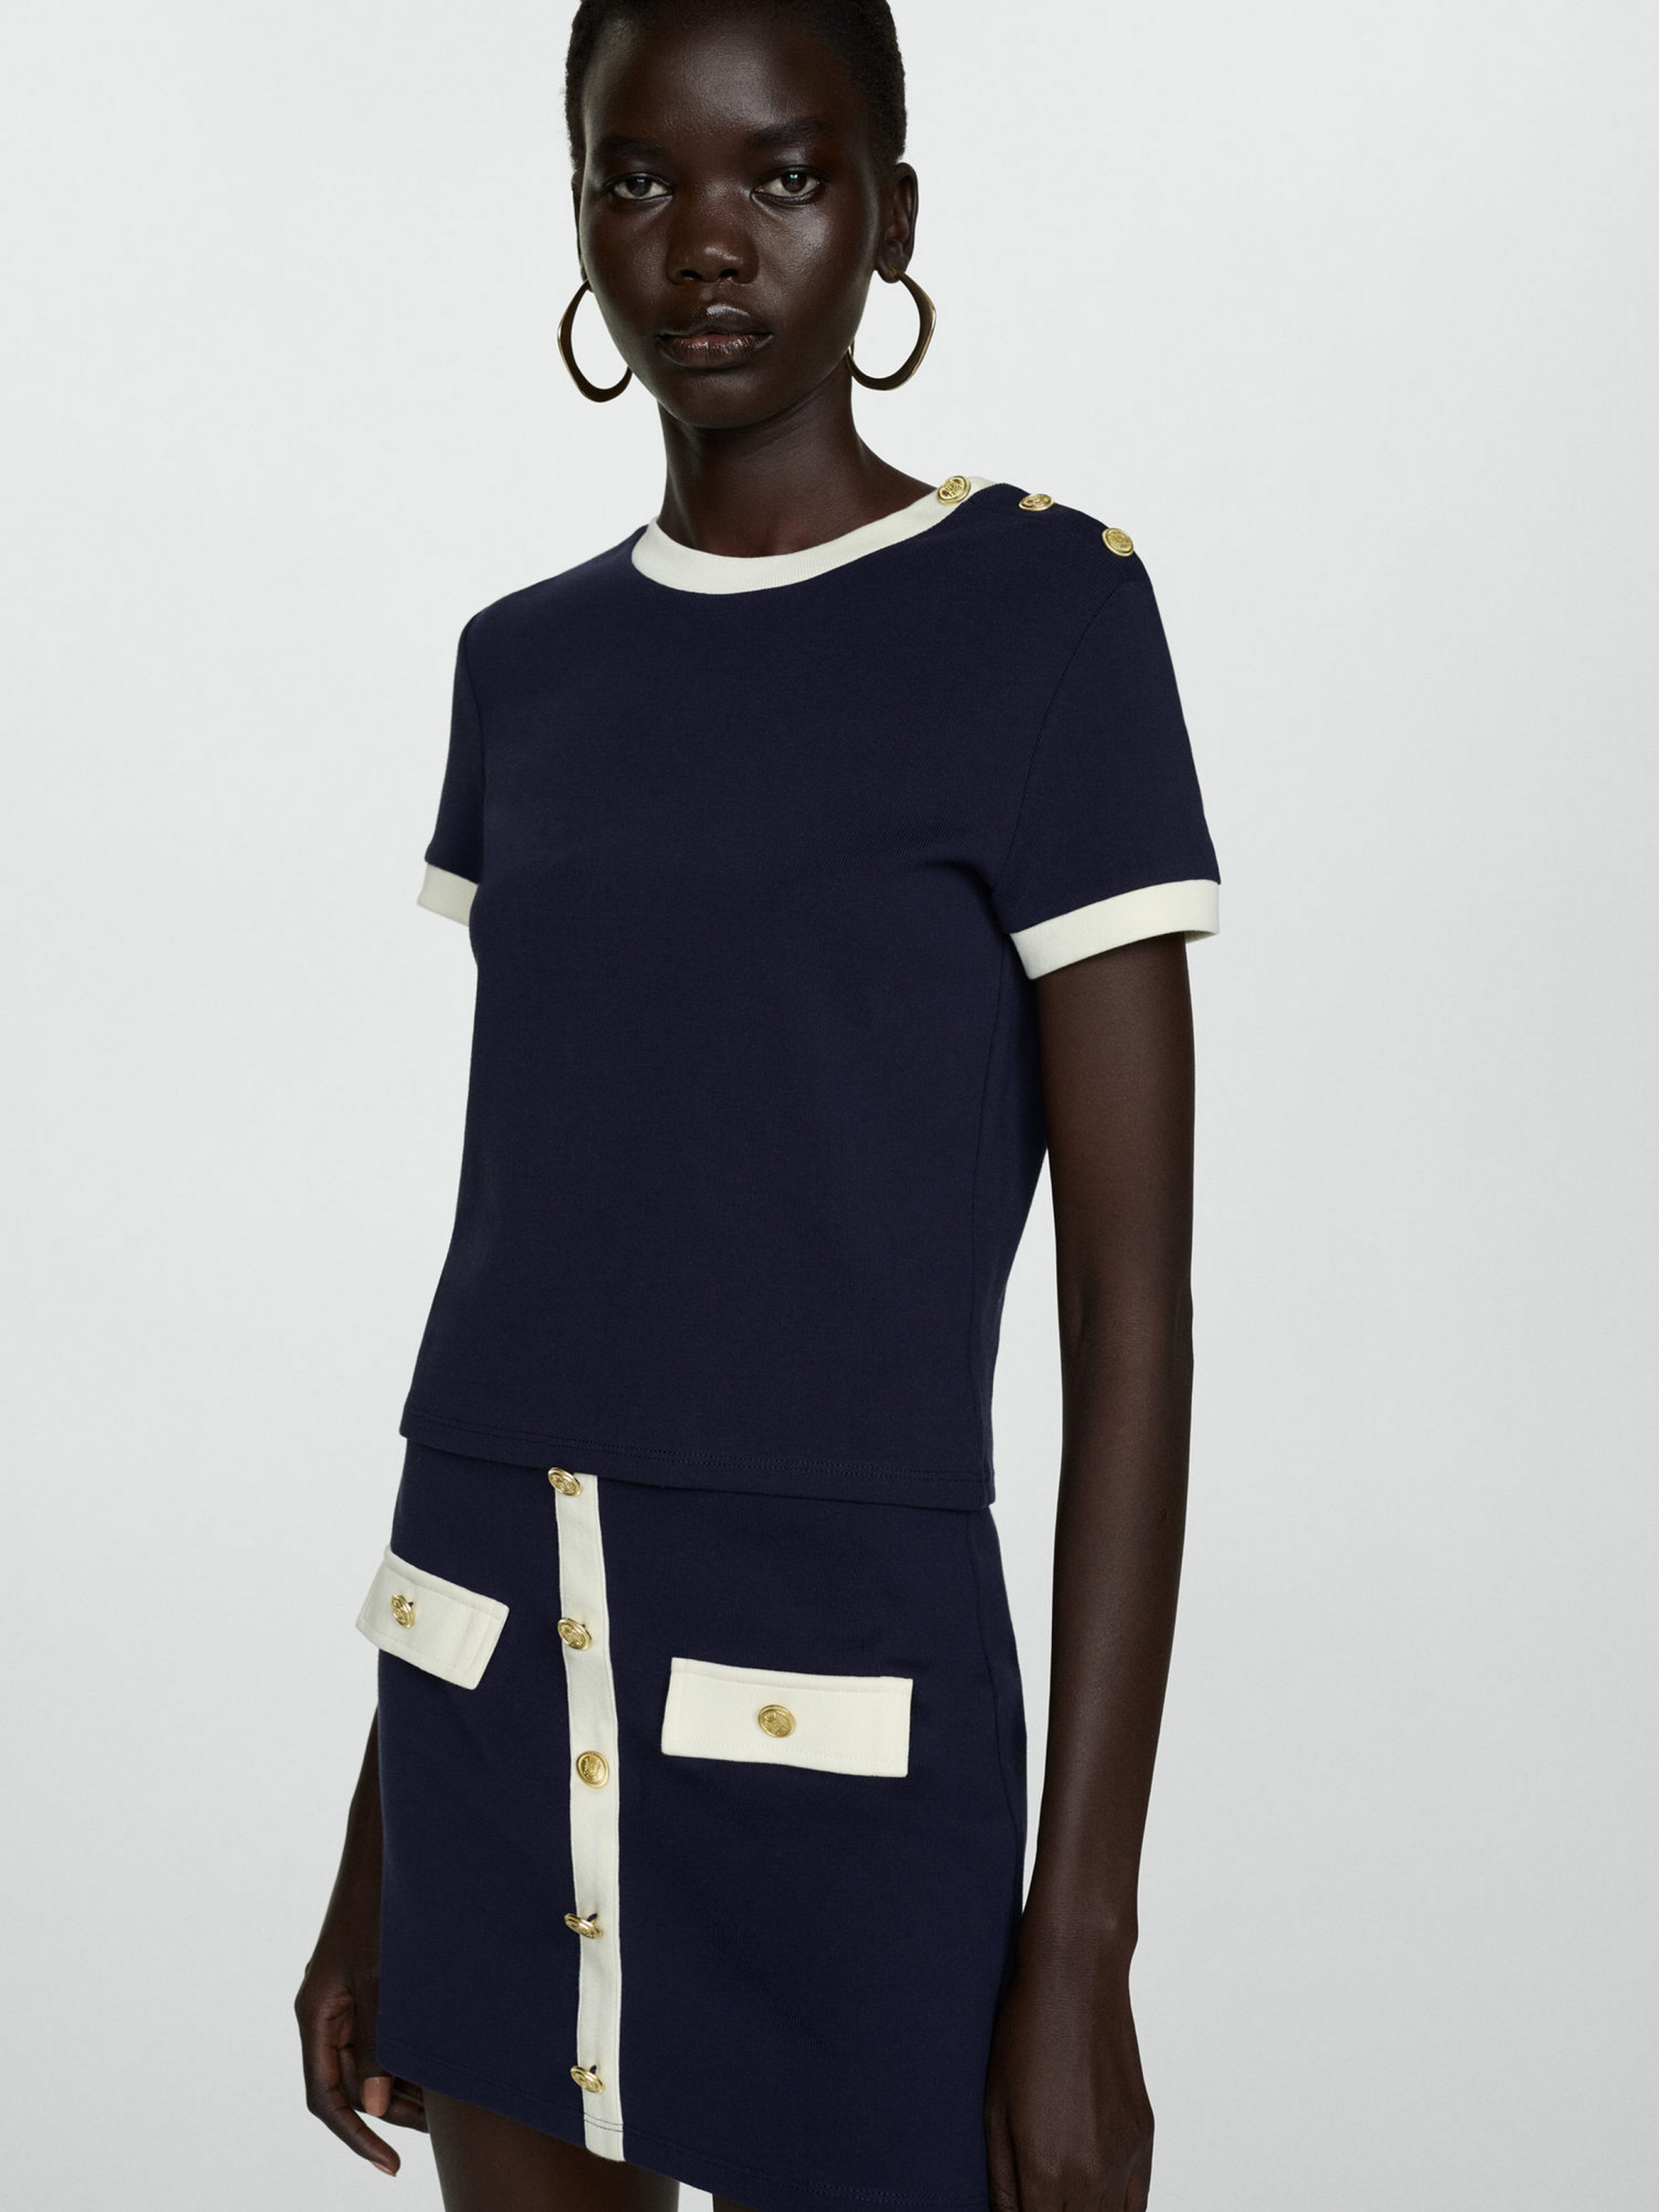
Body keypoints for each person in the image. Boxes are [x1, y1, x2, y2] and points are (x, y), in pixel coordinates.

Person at [295, 3, 1220, 2208]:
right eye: (637, 179)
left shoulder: (1047, 621)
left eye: (783, 176)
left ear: (888, 212)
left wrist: (1079, 1942)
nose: (704, 243)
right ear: (578, 221)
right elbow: (527, 1249)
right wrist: (381, 1834)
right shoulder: (527, 667)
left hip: (844, 1720)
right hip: (484, 1679)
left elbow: (1131, 1320)